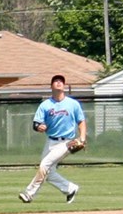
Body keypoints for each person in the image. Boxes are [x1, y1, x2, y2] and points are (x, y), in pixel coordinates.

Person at [19, 74, 86, 204]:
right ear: (51, 86)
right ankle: (70, 189)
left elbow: (81, 121)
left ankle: (29, 193)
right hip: (50, 141)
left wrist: (82, 138)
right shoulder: (45, 105)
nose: (59, 82)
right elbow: (36, 124)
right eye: (56, 81)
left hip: (67, 142)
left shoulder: (73, 104)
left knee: (44, 165)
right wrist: (39, 127)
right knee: (48, 173)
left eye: (61, 81)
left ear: (64, 86)